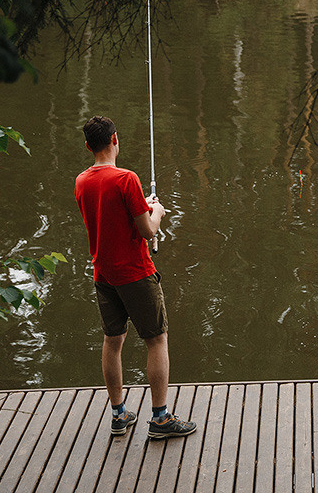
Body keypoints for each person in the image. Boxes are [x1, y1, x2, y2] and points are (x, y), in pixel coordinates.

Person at [75, 115, 197, 440]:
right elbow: (146, 231)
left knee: (112, 341)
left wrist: (140, 206)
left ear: (89, 146)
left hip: (103, 274)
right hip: (135, 273)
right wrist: (154, 212)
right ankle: (160, 419)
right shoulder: (127, 179)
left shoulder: (82, 181)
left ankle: (118, 413)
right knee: (156, 339)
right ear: (115, 140)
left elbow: (108, 215)